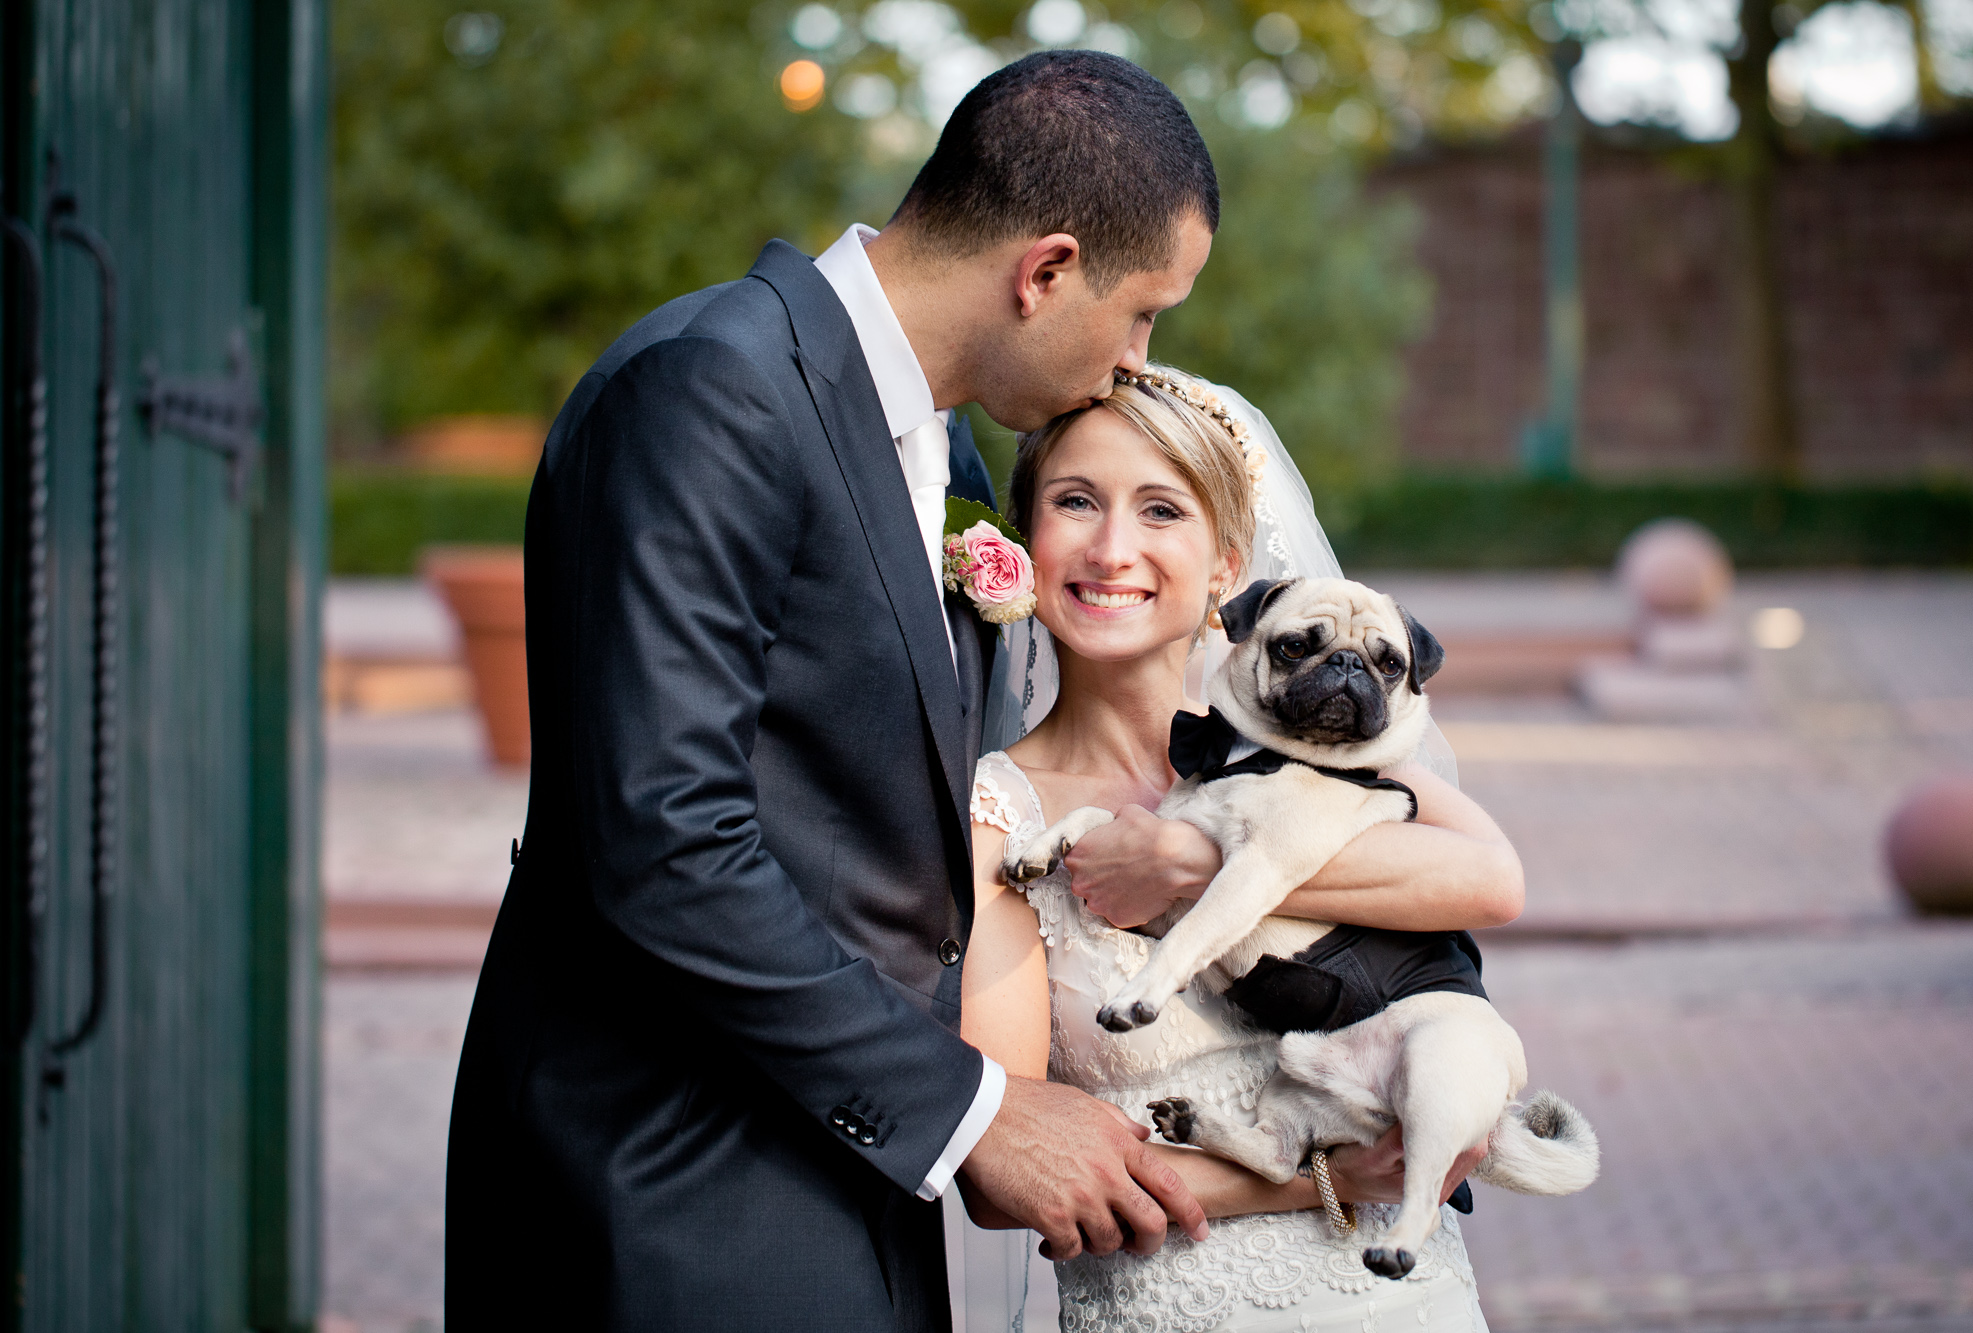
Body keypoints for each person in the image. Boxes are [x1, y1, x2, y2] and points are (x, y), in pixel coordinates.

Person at [446, 51, 1223, 1330]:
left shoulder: (940, 445)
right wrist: (974, 1113)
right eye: (1142, 312)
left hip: (847, 1172)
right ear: (1044, 271)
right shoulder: (708, 388)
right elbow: (663, 838)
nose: (1134, 361)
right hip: (673, 1187)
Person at [958, 366, 1526, 1331]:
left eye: (1161, 509)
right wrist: (1330, 1176)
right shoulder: (999, 816)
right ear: (1023, 538)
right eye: (1076, 501)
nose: (1113, 547)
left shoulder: (1324, 747)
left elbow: (1493, 881)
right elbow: (1003, 1179)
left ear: (1229, 566)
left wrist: (1191, 863)